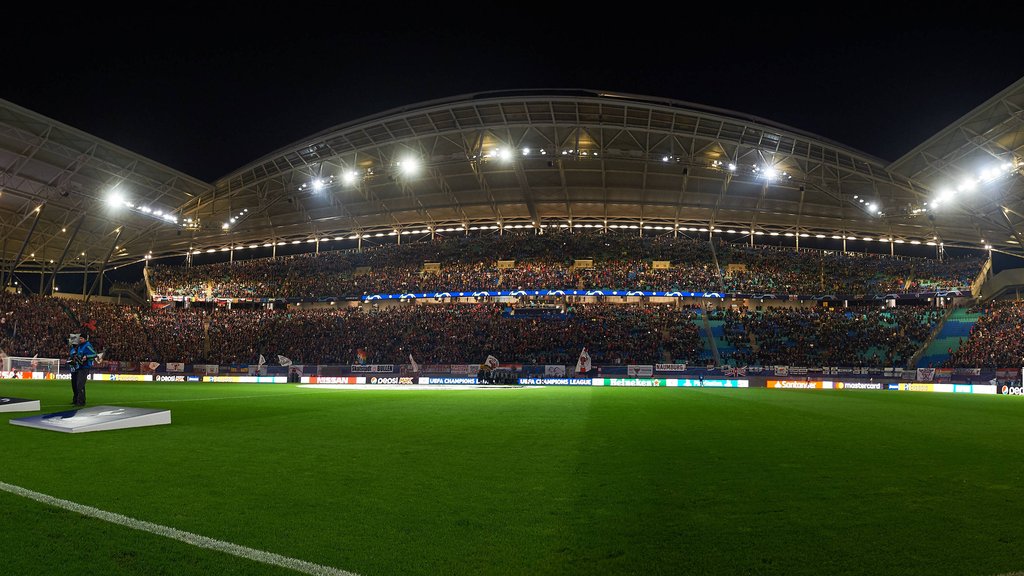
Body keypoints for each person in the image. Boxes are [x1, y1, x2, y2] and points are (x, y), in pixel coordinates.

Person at [69, 332, 98, 406]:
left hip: (85, 367)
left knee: (79, 385)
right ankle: (81, 401)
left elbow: (95, 354)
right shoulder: (80, 346)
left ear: (85, 339)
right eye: (80, 338)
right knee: (80, 385)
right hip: (80, 367)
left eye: (81, 338)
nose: (80, 339)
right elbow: (79, 355)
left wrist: (87, 357)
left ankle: (80, 402)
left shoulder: (87, 346)